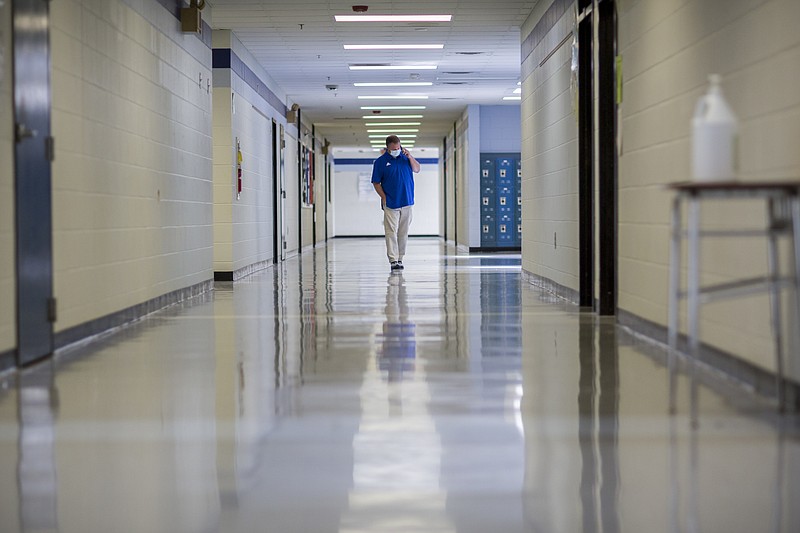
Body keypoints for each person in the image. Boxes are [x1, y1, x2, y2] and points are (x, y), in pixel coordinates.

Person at [371, 135, 421, 270]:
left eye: (398, 148)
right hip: (391, 203)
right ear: (387, 148)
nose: (396, 150)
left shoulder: (406, 159)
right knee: (391, 231)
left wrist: (410, 156)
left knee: (403, 232)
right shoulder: (380, 162)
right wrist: (383, 197)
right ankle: (393, 259)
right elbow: (376, 182)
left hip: (407, 201)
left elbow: (417, 169)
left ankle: (400, 258)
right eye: (393, 149)